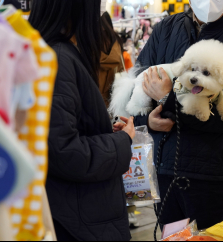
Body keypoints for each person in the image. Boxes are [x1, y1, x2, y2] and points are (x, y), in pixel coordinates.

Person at [134, 0, 223, 230]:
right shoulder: (165, 29)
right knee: (171, 234)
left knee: (206, 235)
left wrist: (166, 100)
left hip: (209, 176)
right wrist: (146, 121)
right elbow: (136, 88)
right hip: (164, 170)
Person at [29, 1, 135, 241]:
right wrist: (121, 140)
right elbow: (64, 151)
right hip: (79, 217)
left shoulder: (48, 53)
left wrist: (102, 131)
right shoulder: (58, 58)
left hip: (72, 210)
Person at [100, 12, 124, 107]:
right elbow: (121, 70)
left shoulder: (89, 45)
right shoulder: (116, 44)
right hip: (112, 104)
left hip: (91, 104)